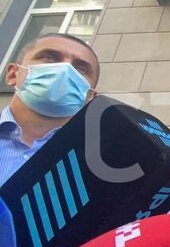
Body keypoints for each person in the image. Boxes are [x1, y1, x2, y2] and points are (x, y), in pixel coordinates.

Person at [0, 33, 99, 186]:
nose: (65, 70)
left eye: (81, 68)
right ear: (13, 74)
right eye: (49, 58)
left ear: (90, 96)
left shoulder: (99, 163)